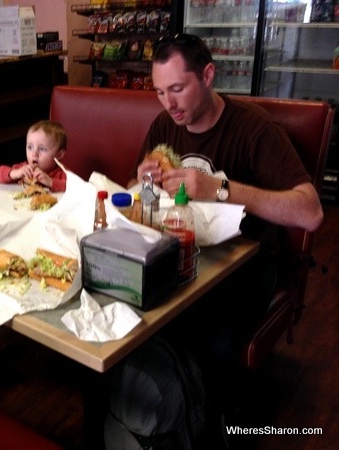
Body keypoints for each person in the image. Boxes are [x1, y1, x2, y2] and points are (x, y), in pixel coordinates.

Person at [127, 33, 323, 437]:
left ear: (209, 75)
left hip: (247, 262)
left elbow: (311, 213)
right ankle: (152, 415)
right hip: (179, 250)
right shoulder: (165, 124)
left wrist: (220, 189)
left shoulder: (254, 130)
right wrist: (140, 180)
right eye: (160, 92)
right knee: (132, 317)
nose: (169, 104)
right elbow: (138, 192)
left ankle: (210, 424)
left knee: (208, 346)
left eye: (177, 89)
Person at [0, 120, 68, 192]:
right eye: (30, 147)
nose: (34, 153)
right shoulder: (24, 168)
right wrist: (15, 173)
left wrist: (50, 182)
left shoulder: (63, 174)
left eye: (42, 149)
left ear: (59, 154)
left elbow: (75, 189)